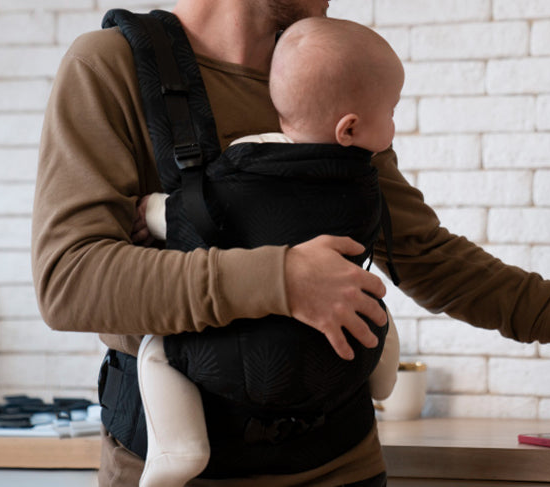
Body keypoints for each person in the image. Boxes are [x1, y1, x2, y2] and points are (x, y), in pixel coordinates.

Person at [31, 1, 550, 486]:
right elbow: (69, 280)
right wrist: (284, 279)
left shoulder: (321, 76)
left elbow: (427, 256)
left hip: (342, 465)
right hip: (182, 470)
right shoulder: (110, 66)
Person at [133, 17, 404, 487]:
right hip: (337, 356)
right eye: (393, 111)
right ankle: (384, 377)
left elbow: (191, 213)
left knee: (156, 348)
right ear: (349, 128)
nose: (396, 124)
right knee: (369, 294)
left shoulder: (246, 165)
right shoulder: (363, 182)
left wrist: (151, 210)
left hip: (232, 357)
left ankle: (180, 447)